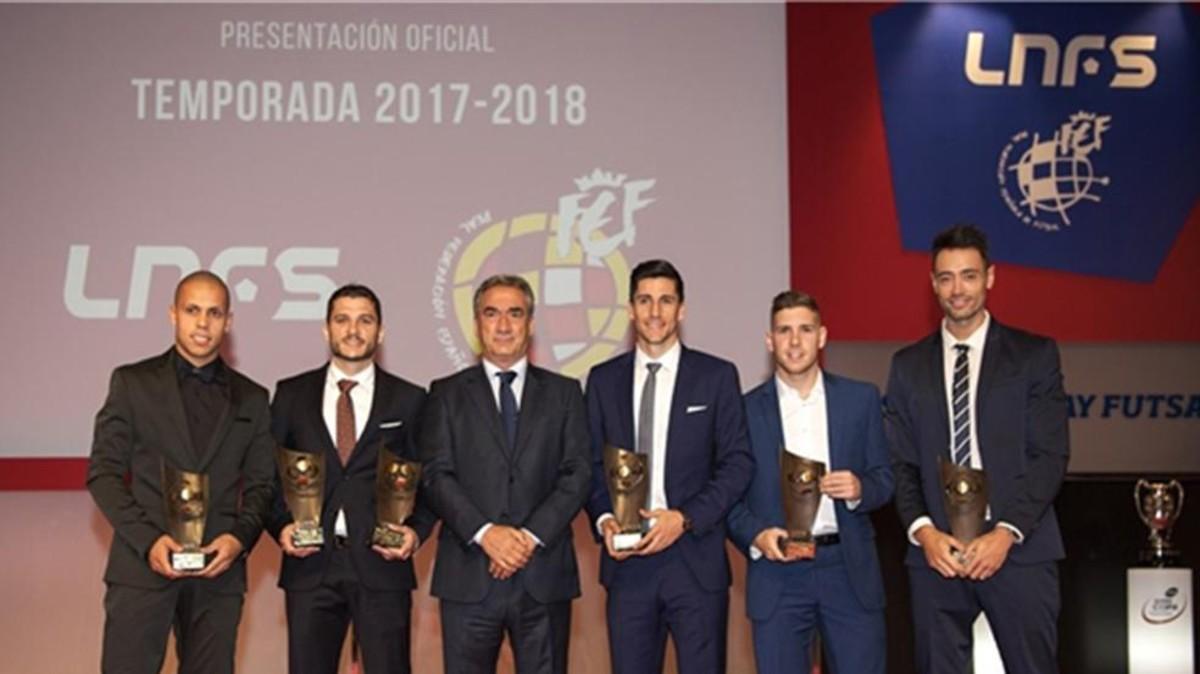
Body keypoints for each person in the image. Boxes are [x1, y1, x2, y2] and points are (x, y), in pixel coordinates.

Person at [885, 224, 1069, 674]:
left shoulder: (1034, 355)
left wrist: (1005, 533)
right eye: (946, 278)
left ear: (990, 277)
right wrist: (925, 533)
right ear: (932, 284)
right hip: (937, 557)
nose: (957, 289)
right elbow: (901, 464)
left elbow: (1051, 455)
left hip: (1019, 550)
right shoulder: (907, 366)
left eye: (968, 275)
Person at [87, 270, 275, 674]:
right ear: (173, 314)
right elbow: (103, 473)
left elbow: (263, 485)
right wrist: (149, 540)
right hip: (141, 569)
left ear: (229, 321)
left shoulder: (254, 399)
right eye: (192, 310)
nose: (203, 323)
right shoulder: (131, 383)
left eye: (214, 312)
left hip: (217, 575)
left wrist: (238, 540)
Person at [585, 258, 754, 674]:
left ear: (682, 309)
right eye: (644, 300)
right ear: (629, 309)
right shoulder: (603, 379)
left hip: (694, 561)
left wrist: (684, 518)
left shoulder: (716, 376)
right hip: (628, 566)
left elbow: (738, 463)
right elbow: (588, 464)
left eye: (666, 300)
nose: (655, 312)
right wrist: (605, 518)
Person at [420, 274, 591, 674]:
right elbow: (435, 475)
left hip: (543, 575)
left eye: (515, 314)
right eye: (491, 313)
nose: (503, 325)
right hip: (469, 573)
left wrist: (527, 538)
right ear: (477, 323)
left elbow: (578, 473)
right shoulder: (445, 394)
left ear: (530, 324)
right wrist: (487, 533)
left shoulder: (565, 393)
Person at [268, 283, 433, 674]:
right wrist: (280, 526)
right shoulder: (291, 394)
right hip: (310, 568)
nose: (353, 329)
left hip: (382, 566)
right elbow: (267, 476)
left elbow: (429, 480)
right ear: (326, 330)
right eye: (342, 319)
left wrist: (417, 532)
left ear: (381, 331)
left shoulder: (410, 400)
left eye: (365, 320)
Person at [727, 290, 893, 674]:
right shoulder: (743, 410)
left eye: (805, 329)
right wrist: (755, 536)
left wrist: (860, 489)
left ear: (822, 336)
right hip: (777, 572)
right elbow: (727, 497)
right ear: (770, 341)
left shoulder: (861, 399)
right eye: (784, 331)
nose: (795, 341)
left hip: (847, 569)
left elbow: (886, 478)